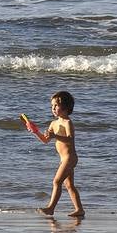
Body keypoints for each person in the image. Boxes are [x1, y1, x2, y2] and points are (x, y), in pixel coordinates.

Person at [34, 90, 84, 218]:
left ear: (66, 107)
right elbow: (45, 140)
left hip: (70, 158)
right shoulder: (53, 123)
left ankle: (51, 208)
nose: (53, 108)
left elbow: (70, 138)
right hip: (63, 159)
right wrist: (35, 132)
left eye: (56, 105)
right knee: (69, 185)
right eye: (52, 106)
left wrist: (55, 135)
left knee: (56, 182)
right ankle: (79, 209)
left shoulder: (68, 122)